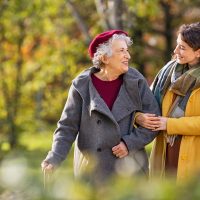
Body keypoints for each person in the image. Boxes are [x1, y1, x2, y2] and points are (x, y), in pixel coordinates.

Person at [41, 30, 160, 184]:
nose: (128, 56)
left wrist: (129, 143)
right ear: (105, 58)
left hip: (130, 170)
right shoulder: (81, 85)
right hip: (92, 171)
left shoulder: (136, 81)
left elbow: (154, 121)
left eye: (127, 50)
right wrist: (54, 157)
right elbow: (67, 127)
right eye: (121, 51)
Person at [135, 22, 200, 182]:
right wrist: (138, 117)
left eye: (182, 47)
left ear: (198, 52)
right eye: (177, 45)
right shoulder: (167, 73)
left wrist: (170, 124)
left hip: (194, 157)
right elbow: (146, 104)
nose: (175, 51)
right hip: (165, 151)